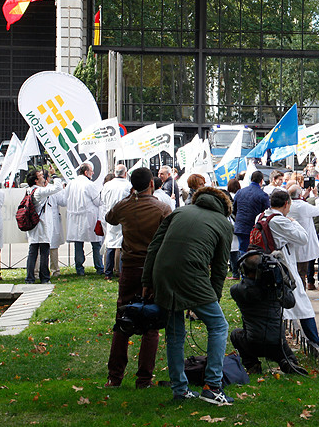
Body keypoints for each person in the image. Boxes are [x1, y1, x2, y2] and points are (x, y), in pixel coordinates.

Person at [142, 184, 234, 405]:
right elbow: (221, 267)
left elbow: (154, 246)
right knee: (219, 325)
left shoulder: (179, 212)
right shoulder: (224, 223)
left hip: (162, 272)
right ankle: (212, 386)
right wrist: (214, 296)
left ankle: (180, 389)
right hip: (192, 274)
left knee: (174, 333)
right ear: (224, 207)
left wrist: (147, 281)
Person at [104, 167, 172, 388]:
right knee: (151, 321)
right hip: (152, 268)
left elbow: (110, 218)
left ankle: (114, 377)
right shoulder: (162, 208)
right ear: (152, 184)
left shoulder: (126, 205)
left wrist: (129, 198)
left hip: (130, 265)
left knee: (122, 319)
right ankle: (144, 378)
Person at [262, 190, 319, 360]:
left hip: (270, 267)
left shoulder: (261, 216)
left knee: (278, 310)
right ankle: (317, 345)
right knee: (304, 307)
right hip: (283, 269)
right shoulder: (281, 221)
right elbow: (303, 238)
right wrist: (294, 222)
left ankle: (279, 346)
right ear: (286, 204)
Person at [229, 252, 307, 375]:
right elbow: (290, 302)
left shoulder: (237, 290)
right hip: (277, 342)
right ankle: (287, 362)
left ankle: (252, 364)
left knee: (235, 334)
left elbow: (250, 288)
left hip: (253, 342)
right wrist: (282, 281)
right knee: (286, 354)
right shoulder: (276, 289)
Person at [24, 169, 63, 284]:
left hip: (34, 226)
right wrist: (55, 175)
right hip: (42, 225)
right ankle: (44, 278)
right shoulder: (39, 191)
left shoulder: (29, 190)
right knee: (44, 253)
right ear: (36, 180)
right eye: (40, 176)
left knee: (33, 252)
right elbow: (57, 188)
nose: (43, 177)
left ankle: (30, 278)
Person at [66, 162, 103, 276]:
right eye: (91, 171)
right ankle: (99, 267)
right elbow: (98, 201)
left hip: (75, 217)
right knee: (96, 244)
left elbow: (64, 198)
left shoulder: (71, 183)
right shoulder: (89, 184)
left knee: (78, 243)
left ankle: (79, 269)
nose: (92, 173)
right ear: (86, 172)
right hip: (88, 217)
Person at [287, 185, 319, 292]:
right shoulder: (303, 206)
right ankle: (301, 295)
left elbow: (296, 200)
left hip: (292, 243)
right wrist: (316, 196)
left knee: (296, 271)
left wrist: (304, 195)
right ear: (299, 195)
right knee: (301, 273)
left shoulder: (289, 205)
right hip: (303, 243)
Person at [232, 170, 270, 267]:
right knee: (254, 252)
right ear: (261, 181)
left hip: (240, 225)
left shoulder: (240, 192)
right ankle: (249, 272)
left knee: (242, 250)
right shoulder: (262, 195)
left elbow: (234, 209)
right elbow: (266, 213)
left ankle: (241, 272)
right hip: (254, 228)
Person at [100, 164, 132, 280]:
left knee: (110, 244)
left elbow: (102, 199)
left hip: (110, 215)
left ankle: (108, 272)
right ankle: (121, 271)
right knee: (123, 244)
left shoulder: (108, 185)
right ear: (125, 173)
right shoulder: (129, 185)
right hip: (124, 216)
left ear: (115, 173)